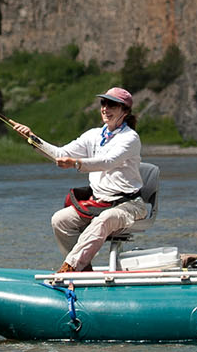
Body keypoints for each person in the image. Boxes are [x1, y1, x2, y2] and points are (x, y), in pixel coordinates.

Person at [11, 87, 145, 273]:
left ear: (125, 110)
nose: (105, 108)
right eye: (103, 103)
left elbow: (108, 162)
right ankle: (83, 271)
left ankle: (71, 268)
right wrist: (32, 138)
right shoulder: (93, 135)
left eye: (112, 104)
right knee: (60, 220)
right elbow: (60, 154)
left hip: (130, 205)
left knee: (104, 219)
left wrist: (76, 163)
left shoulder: (130, 138)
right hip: (99, 203)